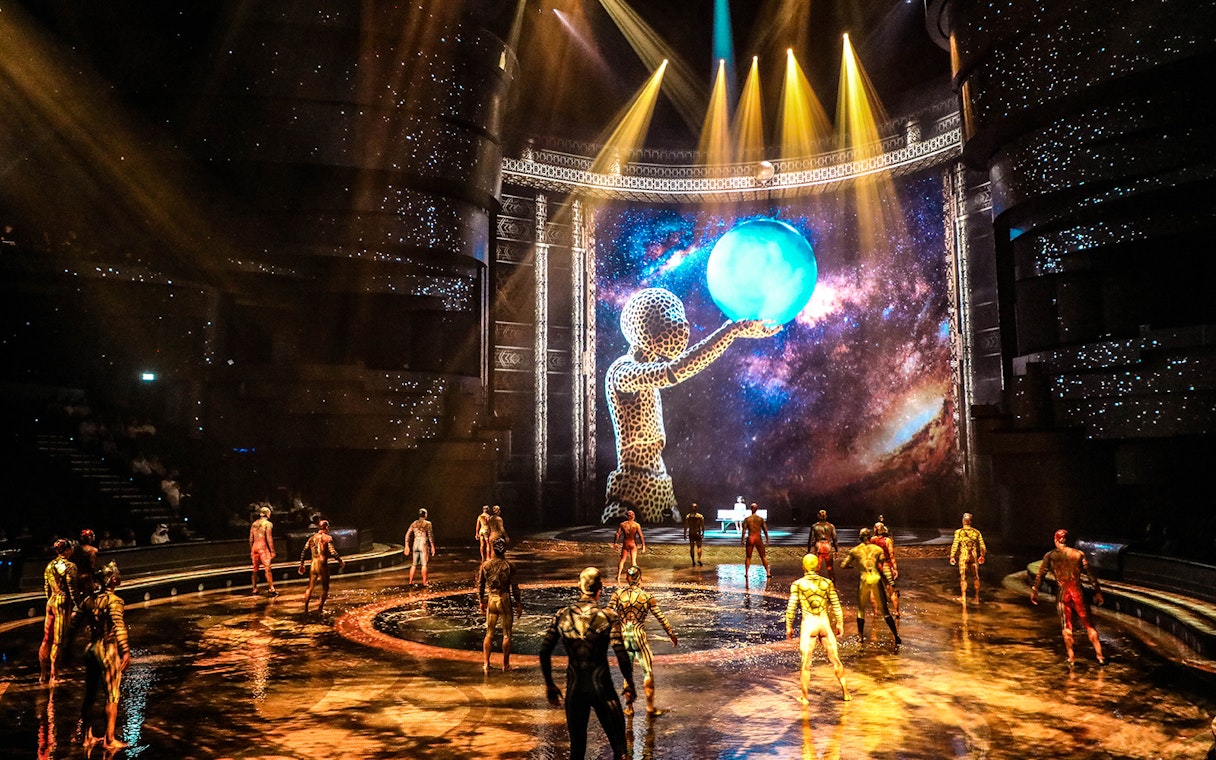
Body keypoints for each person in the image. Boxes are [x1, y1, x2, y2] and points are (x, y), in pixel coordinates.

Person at [603, 287, 780, 523]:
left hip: (659, 483)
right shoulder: (622, 372)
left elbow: (674, 368)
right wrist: (731, 331)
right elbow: (674, 371)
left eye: (678, 316)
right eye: (666, 317)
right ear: (643, 327)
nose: (680, 327)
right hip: (633, 488)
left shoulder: (640, 370)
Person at [539, 567, 636, 760]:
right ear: (601, 587)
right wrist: (630, 683)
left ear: (579, 586)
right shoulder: (609, 616)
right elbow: (621, 654)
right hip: (602, 687)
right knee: (621, 751)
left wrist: (550, 684)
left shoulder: (562, 615)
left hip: (575, 688)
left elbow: (544, 651)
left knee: (577, 750)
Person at [73, 561, 131, 752]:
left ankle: (87, 736)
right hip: (107, 649)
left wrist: (67, 648)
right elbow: (119, 627)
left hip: (91, 648)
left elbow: (73, 624)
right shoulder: (114, 601)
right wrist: (125, 651)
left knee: (90, 694)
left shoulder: (89, 600)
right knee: (112, 695)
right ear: (113, 579)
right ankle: (109, 739)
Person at [608, 565, 678, 715]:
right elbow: (660, 617)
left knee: (628, 673)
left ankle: (629, 708)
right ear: (640, 578)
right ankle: (650, 707)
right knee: (647, 672)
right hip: (639, 635)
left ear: (627, 578)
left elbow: (607, 613)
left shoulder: (618, 595)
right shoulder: (646, 597)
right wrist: (671, 634)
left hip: (624, 635)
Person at [1030, 529, 1107, 666]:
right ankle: (1100, 656)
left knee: (1067, 626)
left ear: (1055, 540)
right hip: (1078, 591)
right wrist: (1098, 592)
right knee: (1089, 625)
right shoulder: (1078, 554)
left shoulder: (1051, 556)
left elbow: (1041, 574)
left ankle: (1071, 657)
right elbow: (1090, 575)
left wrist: (1035, 590)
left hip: (1063, 592)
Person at [785, 554, 850, 703]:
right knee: (835, 659)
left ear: (803, 567)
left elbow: (791, 607)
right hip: (824, 623)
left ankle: (805, 696)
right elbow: (836, 604)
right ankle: (846, 692)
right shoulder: (827, 583)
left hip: (809, 625)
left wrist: (789, 625)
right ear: (818, 567)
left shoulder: (798, 584)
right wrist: (840, 622)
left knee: (805, 663)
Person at [841, 528, 901, 645]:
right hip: (876, 579)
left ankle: (860, 637)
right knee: (885, 611)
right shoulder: (877, 549)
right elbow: (884, 568)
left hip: (864, 580)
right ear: (870, 537)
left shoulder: (855, 550)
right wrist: (891, 582)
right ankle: (896, 636)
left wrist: (855, 565)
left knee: (861, 610)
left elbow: (844, 564)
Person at [477, 538, 522, 673]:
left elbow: (480, 585)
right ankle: (505, 664)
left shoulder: (485, 566)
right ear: (505, 550)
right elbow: (515, 587)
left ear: (492, 549)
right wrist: (518, 603)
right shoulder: (509, 566)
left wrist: (481, 600)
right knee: (507, 634)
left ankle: (486, 663)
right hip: (504, 599)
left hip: (491, 599)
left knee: (489, 633)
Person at [39, 538, 78, 684]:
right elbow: (73, 589)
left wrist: (50, 600)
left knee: (46, 639)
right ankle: (54, 674)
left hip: (51, 602)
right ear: (67, 550)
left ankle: (43, 674)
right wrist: (77, 605)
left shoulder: (49, 565)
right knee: (57, 641)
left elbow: (46, 588)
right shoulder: (69, 566)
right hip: (62, 602)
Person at [297, 520, 345, 614]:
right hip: (322, 564)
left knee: (310, 587)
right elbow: (333, 552)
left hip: (313, 564)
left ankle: (306, 609)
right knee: (325, 588)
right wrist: (340, 561)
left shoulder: (311, 538)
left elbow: (304, 551)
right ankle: (320, 609)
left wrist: (301, 564)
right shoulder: (327, 538)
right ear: (326, 527)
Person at [950, 512, 987, 605]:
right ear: (971, 521)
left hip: (964, 556)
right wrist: (982, 555)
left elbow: (955, 544)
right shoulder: (977, 532)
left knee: (963, 577)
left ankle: (964, 597)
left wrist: (952, 556)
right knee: (976, 576)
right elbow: (983, 546)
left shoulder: (959, 532)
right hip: (973, 557)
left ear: (963, 521)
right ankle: (977, 598)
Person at [871, 520, 900, 619]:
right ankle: (896, 612)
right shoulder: (887, 541)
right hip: (886, 566)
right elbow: (892, 556)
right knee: (891, 590)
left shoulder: (871, 540)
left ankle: (875, 612)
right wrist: (895, 569)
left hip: (875, 567)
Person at [248, 507, 278, 596]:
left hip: (254, 547)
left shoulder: (254, 524)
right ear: (268, 514)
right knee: (267, 568)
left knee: (255, 569)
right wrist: (272, 551)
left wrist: (251, 550)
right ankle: (271, 588)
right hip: (262, 547)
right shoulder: (268, 524)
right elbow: (269, 538)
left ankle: (254, 588)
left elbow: (250, 539)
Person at [405, 508, 436, 587]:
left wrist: (407, 545)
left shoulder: (414, 523)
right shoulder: (428, 524)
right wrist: (432, 546)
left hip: (415, 544)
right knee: (424, 564)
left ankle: (410, 581)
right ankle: (424, 582)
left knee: (414, 564)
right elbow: (430, 536)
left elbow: (407, 534)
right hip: (423, 543)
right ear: (425, 515)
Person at [613, 509, 645, 583]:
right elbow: (641, 536)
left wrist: (615, 543)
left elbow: (617, 534)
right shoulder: (636, 525)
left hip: (626, 543)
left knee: (622, 560)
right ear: (633, 516)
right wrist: (643, 545)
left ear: (627, 516)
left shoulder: (623, 524)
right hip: (633, 544)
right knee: (633, 561)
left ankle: (618, 575)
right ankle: (637, 577)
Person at [806, 510, 838, 582]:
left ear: (818, 516)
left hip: (819, 545)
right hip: (828, 546)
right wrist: (836, 550)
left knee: (816, 569)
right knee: (830, 569)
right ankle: (833, 587)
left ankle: (815, 586)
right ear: (826, 516)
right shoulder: (830, 526)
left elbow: (810, 539)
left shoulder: (815, 526)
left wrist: (808, 550)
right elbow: (835, 539)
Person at [742, 502, 770, 577]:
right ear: (757, 509)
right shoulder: (760, 519)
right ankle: (768, 572)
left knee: (748, 556)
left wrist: (742, 540)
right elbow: (765, 530)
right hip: (757, 537)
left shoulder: (747, 519)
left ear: (751, 509)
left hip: (750, 537)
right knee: (763, 556)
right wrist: (767, 538)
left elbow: (744, 530)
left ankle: (747, 573)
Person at [75, 528, 100, 596]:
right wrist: (95, 581)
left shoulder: (76, 550)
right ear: (89, 537)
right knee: (89, 597)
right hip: (87, 578)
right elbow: (92, 566)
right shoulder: (92, 550)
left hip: (77, 576)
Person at [683, 502, 705, 566]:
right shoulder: (700, 516)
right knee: (699, 546)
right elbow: (702, 526)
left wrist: (684, 534)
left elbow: (686, 526)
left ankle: (693, 561)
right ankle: (699, 559)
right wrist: (703, 533)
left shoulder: (688, 516)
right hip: (697, 532)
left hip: (691, 532)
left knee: (692, 547)